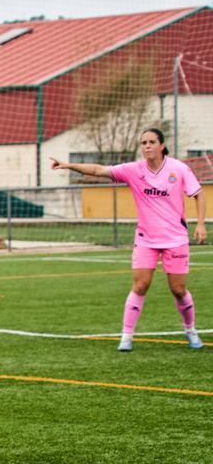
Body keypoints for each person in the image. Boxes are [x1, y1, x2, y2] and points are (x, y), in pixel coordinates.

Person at [51, 128, 207, 351]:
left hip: (175, 238)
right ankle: (126, 336)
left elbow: (198, 194)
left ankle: (190, 330)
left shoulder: (178, 169)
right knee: (140, 285)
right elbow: (98, 169)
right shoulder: (133, 170)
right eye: (143, 142)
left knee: (179, 289)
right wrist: (68, 165)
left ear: (162, 146)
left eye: (152, 141)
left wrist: (200, 224)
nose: (147, 146)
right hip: (145, 239)